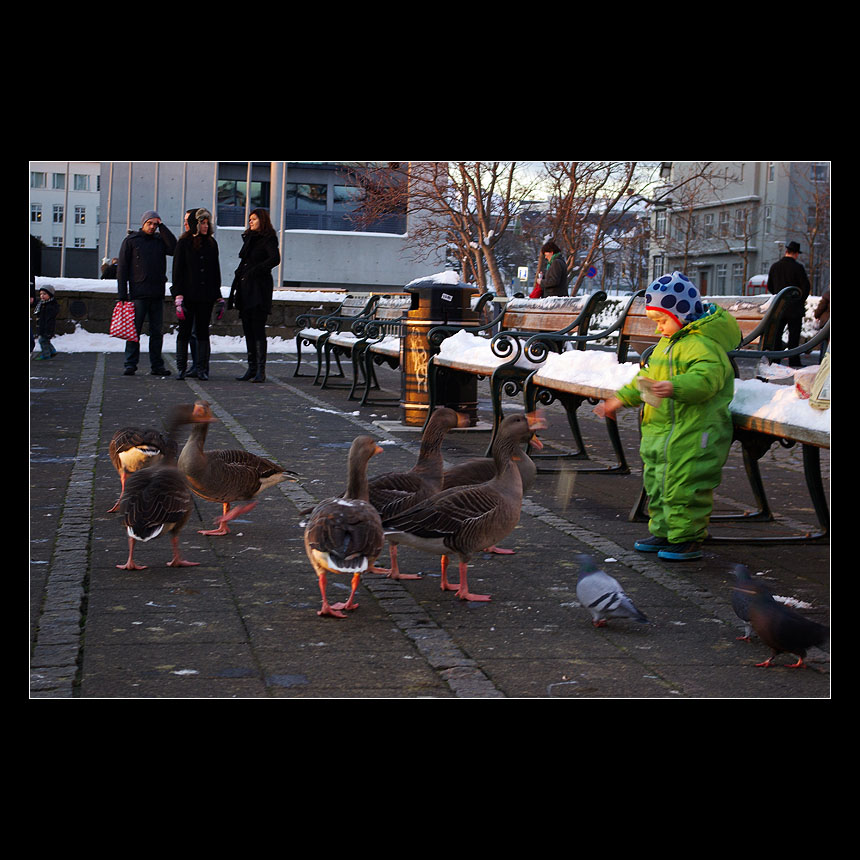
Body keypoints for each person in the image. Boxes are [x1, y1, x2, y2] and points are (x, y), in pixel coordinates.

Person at [593, 272, 741, 561]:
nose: (658, 327)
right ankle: (663, 531)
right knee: (657, 482)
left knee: (685, 486)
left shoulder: (704, 346)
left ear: (682, 314)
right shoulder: (667, 345)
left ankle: (686, 538)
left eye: (662, 320)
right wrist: (619, 400)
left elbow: (705, 381)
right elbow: (645, 379)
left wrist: (674, 386)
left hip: (695, 431)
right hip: (661, 431)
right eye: (655, 321)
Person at [116, 210, 177, 376]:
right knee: (133, 331)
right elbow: (122, 269)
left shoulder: (160, 240)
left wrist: (162, 226)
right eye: (149, 223)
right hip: (138, 294)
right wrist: (122, 294)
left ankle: (157, 365)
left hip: (156, 293)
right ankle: (130, 364)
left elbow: (174, 247)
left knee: (156, 332)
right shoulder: (131, 240)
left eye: (155, 224)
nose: (152, 227)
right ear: (143, 223)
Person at [228, 208, 280, 383]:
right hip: (246, 288)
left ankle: (260, 370)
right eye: (249, 219)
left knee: (258, 329)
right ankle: (251, 368)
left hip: (259, 288)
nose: (250, 222)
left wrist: (255, 271)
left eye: (254, 219)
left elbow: (274, 259)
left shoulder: (268, 238)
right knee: (248, 329)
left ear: (262, 220)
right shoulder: (250, 238)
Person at [171, 208, 222, 380]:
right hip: (187, 295)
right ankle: (181, 368)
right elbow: (177, 271)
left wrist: (218, 295)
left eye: (207, 222)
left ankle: (202, 368)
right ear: (196, 224)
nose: (206, 226)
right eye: (202, 222)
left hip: (205, 296)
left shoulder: (211, 244)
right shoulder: (183, 243)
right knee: (184, 332)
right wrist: (178, 295)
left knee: (202, 332)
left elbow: (216, 272)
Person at [767, 240, 811, 368]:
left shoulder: (775, 267)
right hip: (795, 308)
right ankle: (794, 360)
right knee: (794, 336)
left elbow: (770, 286)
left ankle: (775, 360)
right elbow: (806, 287)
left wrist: (779, 296)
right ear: (796, 254)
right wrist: (800, 299)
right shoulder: (798, 268)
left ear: (786, 251)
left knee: (777, 334)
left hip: (779, 307)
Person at [33, 285, 59, 360]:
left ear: (50, 295)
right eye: (41, 294)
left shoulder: (49, 306)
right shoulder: (42, 304)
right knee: (46, 341)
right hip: (42, 326)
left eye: (44, 294)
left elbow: (49, 320)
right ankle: (52, 351)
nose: (42, 296)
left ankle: (46, 354)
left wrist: (47, 330)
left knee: (42, 341)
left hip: (46, 328)